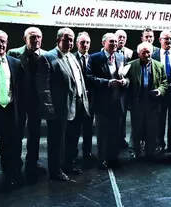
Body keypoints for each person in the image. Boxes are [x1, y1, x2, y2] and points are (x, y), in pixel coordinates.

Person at [37, 27, 89, 181]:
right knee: (56, 142)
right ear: (58, 40)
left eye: (71, 40)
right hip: (59, 109)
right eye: (66, 39)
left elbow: (78, 80)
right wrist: (49, 108)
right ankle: (55, 171)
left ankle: (68, 165)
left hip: (76, 106)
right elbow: (43, 87)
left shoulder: (72, 57)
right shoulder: (47, 58)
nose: (69, 43)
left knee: (72, 139)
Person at [8, 26, 47, 183]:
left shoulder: (45, 55)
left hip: (36, 102)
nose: (36, 40)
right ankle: (15, 162)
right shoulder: (14, 53)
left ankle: (33, 162)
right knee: (16, 133)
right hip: (18, 101)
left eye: (38, 37)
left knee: (35, 133)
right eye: (32, 37)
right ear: (25, 39)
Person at [86, 33, 128, 169]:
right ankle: (102, 159)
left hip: (117, 102)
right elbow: (89, 77)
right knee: (102, 133)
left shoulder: (121, 57)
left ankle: (113, 158)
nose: (115, 44)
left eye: (116, 42)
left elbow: (127, 76)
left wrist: (125, 81)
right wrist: (108, 83)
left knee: (115, 132)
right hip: (102, 103)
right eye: (112, 42)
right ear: (104, 43)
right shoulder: (94, 58)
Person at [125, 42, 168, 159]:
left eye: (148, 52)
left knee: (152, 129)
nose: (147, 54)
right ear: (139, 54)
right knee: (136, 129)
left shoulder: (159, 66)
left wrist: (160, 90)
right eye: (143, 52)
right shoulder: (131, 65)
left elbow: (165, 82)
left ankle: (150, 152)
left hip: (152, 103)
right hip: (137, 103)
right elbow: (126, 83)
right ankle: (135, 151)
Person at [0, 29, 25, 192]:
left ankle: (10, 177)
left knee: (9, 146)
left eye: (3, 41)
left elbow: (20, 89)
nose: (0, 44)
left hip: (9, 111)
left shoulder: (14, 63)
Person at [152, 30, 171, 152]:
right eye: (166, 39)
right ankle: (160, 144)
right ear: (160, 40)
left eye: (170, 39)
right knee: (160, 120)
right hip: (161, 92)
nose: (169, 41)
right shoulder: (154, 55)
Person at [73, 31, 96, 164]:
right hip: (76, 99)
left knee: (88, 128)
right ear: (77, 44)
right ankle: (73, 154)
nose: (85, 45)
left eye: (87, 42)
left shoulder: (93, 58)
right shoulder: (72, 58)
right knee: (75, 128)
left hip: (90, 99)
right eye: (82, 42)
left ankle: (87, 152)